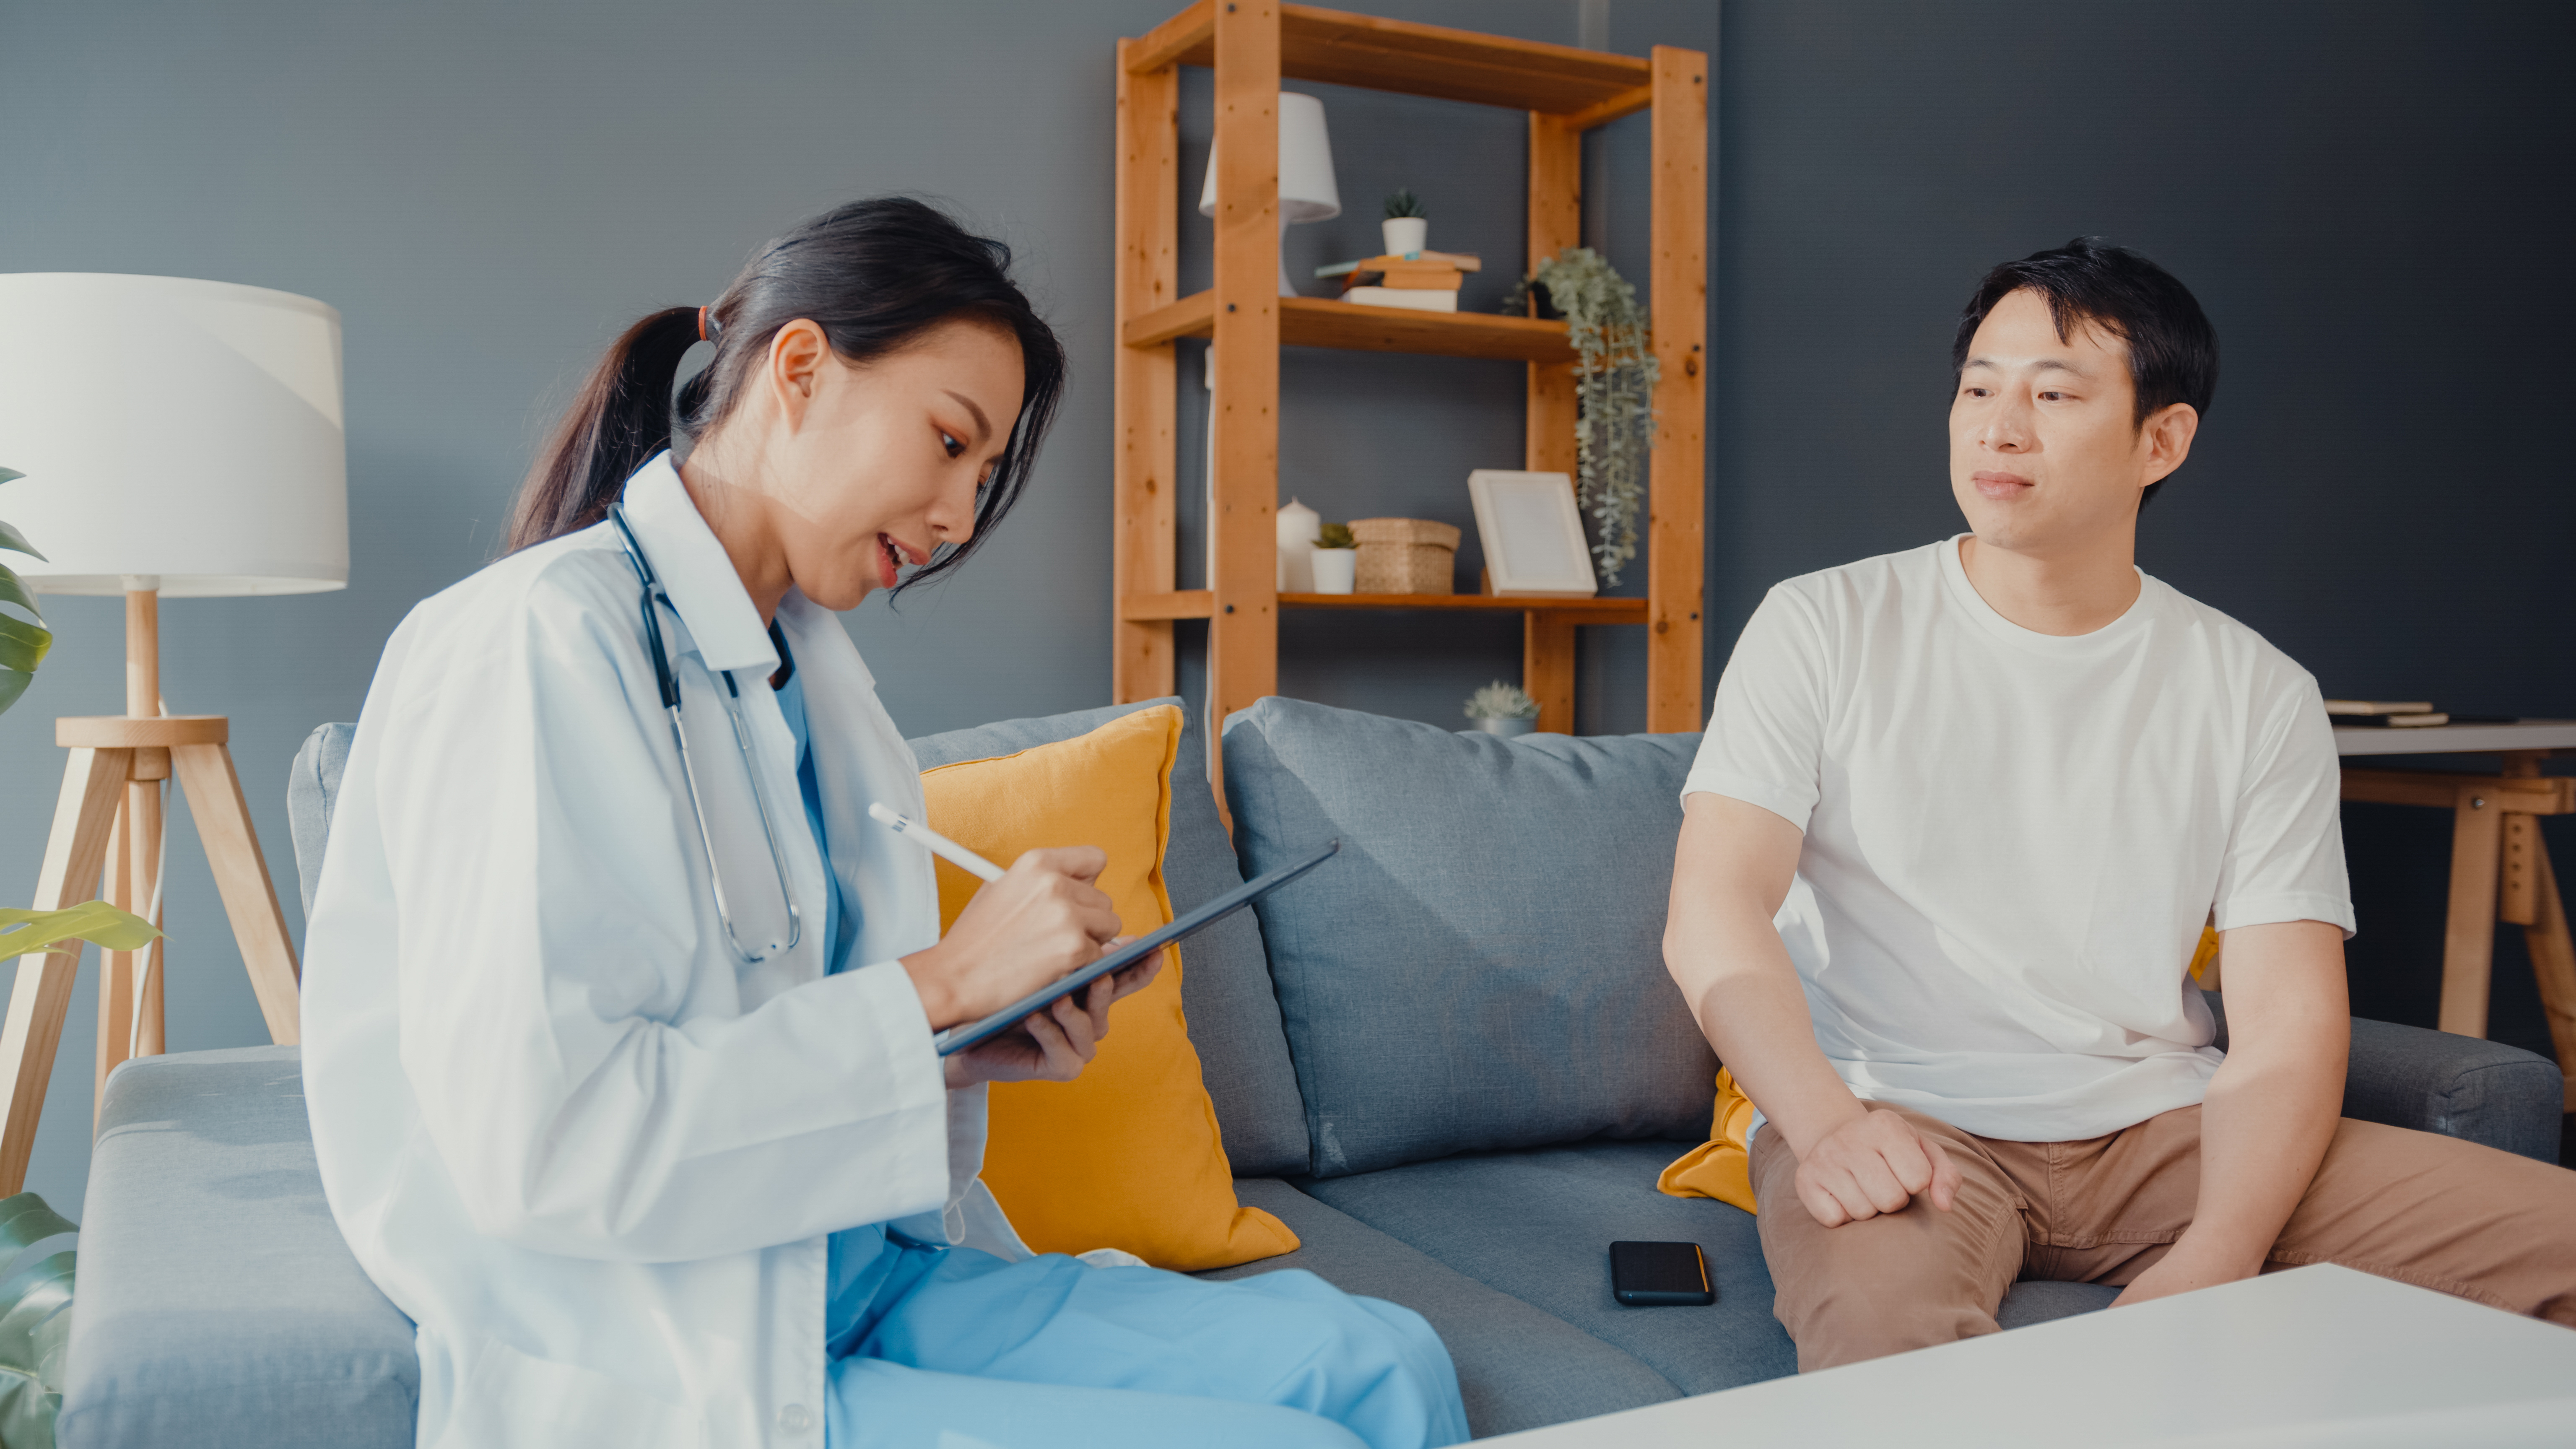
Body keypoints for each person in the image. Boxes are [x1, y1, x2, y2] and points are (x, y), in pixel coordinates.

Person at [300, 197, 1467, 1449]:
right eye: (951, 442)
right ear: (798, 369)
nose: (962, 517)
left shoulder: (816, 676)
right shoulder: (534, 643)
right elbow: (549, 1143)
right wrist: (942, 984)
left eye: (985, 473)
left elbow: (791, 1031)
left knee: (1383, 1361)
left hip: (864, 1280)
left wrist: (969, 1044)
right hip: (683, 1341)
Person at [1662, 236, 2576, 1371]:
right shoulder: (1824, 625)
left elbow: (2288, 1025)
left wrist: (2216, 1256)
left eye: (2053, 394)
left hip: (2166, 1131)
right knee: (1885, 1362)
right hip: (1903, 1123)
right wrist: (1827, 1126)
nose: (2000, 427)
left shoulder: (2255, 691)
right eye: (1979, 388)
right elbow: (1714, 910)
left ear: (2163, 439)